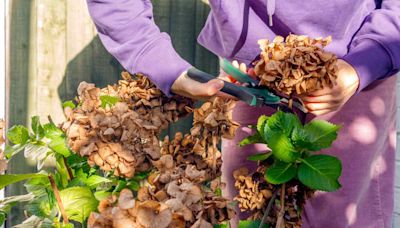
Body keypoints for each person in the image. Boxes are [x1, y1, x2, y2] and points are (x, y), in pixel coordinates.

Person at [86, 0, 400, 227]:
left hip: (355, 57)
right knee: (248, 207)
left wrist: (368, 62)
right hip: (251, 65)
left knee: (339, 213)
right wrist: (165, 66)